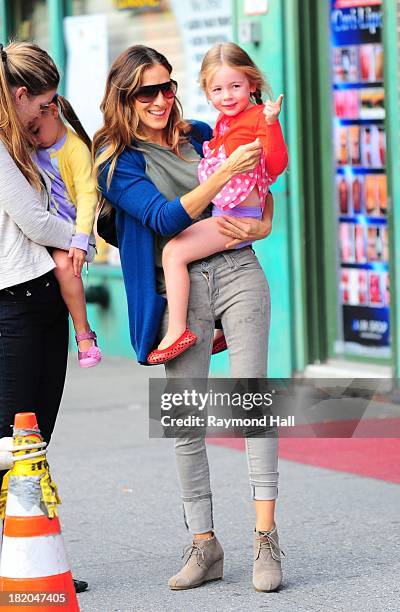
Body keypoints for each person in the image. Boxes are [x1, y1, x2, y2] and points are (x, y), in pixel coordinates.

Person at [94, 44, 286, 593]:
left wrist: (264, 224)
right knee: (185, 420)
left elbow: (259, 189)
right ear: (124, 96)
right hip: (177, 289)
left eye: (167, 86)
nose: (160, 99)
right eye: (146, 90)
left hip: (237, 268)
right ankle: (205, 545)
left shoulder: (201, 131)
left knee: (254, 401)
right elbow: (163, 217)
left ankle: (265, 539)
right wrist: (224, 171)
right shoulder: (117, 161)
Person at [0, 40, 87, 594]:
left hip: (43, 298)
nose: (49, 114)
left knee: (35, 441)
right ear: (23, 94)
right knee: (12, 444)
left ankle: (31, 561)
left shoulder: (25, 139)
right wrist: (83, 238)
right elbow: (34, 220)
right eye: (46, 102)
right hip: (16, 302)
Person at [148, 42, 287, 364]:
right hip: (229, 213)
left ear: (252, 84)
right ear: (207, 93)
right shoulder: (221, 123)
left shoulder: (255, 117)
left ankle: (177, 330)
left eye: (235, 86)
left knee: (174, 252)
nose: (227, 96)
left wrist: (272, 123)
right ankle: (222, 324)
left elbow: (275, 166)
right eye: (218, 89)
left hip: (235, 215)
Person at [31, 96, 102, 367]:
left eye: (36, 130)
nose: (34, 139)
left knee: (63, 266)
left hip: (71, 234)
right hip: (40, 232)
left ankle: (84, 334)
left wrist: (82, 238)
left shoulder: (75, 150)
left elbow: (87, 195)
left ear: (52, 112)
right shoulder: (33, 147)